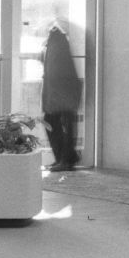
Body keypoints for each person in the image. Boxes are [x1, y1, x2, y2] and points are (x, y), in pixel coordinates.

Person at [41, 19, 82, 171]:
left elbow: (55, 72)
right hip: (61, 94)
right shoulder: (57, 42)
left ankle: (65, 159)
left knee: (57, 123)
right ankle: (65, 158)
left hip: (60, 95)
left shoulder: (56, 42)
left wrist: (51, 97)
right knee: (60, 124)